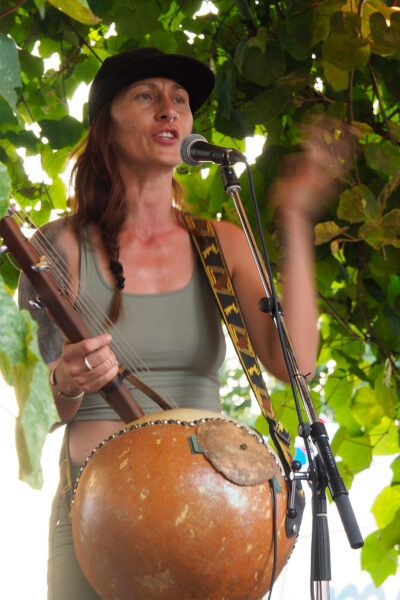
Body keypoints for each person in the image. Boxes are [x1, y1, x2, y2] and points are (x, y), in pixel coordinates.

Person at [18, 46, 336, 599]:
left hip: (208, 514)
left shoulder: (220, 242)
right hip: (94, 512)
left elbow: (296, 364)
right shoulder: (61, 245)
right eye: (147, 96)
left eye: (181, 100)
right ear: (106, 127)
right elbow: (39, 408)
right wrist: (66, 380)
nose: (169, 109)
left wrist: (294, 217)